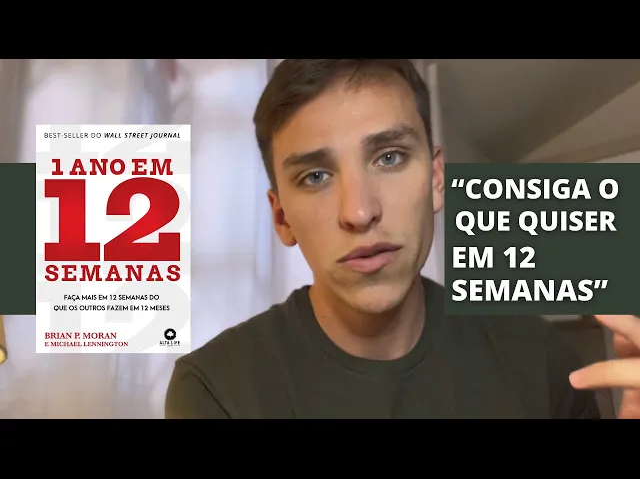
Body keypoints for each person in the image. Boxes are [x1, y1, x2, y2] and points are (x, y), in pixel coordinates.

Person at [165, 59, 640, 419]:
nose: (359, 212)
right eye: (315, 176)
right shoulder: (215, 389)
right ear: (281, 217)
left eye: (389, 157)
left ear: (436, 180)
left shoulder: (540, 360)